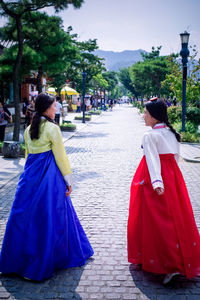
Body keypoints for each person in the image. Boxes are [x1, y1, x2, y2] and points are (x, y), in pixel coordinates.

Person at [0, 93, 93, 281]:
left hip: (30, 178)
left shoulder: (28, 130)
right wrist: (69, 181)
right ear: (46, 108)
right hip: (49, 178)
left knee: (23, 217)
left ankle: (15, 260)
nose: (56, 108)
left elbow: (28, 158)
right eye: (54, 106)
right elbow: (61, 157)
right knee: (50, 216)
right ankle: (47, 258)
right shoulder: (52, 129)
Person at [127, 98, 200, 285]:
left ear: (153, 116)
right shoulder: (171, 133)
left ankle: (169, 264)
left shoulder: (150, 135)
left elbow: (152, 159)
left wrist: (157, 182)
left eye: (146, 113)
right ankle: (181, 260)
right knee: (176, 218)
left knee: (156, 221)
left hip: (153, 178)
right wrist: (167, 179)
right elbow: (175, 158)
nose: (144, 116)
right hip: (173, 178)